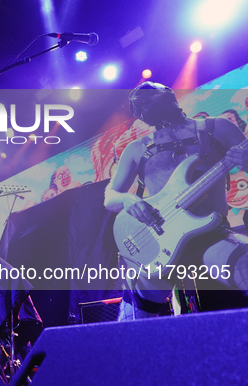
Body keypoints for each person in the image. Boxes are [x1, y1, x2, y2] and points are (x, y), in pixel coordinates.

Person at [104, 82, 248, 320]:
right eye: (137, 104)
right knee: (132, 326)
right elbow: (110, 197)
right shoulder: (136, 148)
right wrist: (129, 200)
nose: (141, 102)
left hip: (212, 237)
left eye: (148, 96)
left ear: (168, 94)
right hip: (155, 243)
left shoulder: (217, 127)